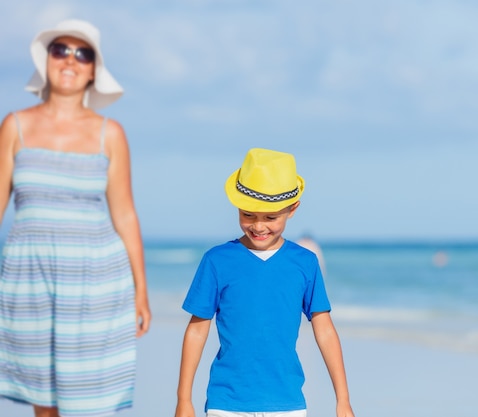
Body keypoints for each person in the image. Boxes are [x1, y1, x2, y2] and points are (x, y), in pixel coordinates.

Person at [0, 19, 151, 417]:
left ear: (93, 71)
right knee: (43, 400)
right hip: (27, 277)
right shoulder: (15, 125)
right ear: (46, 60)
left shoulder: (110, 133)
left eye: (82, 54)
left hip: (95, 280)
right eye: (60, 50)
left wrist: (141, 290)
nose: (70, 60)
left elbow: (125, 213)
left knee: (89, 399)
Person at [175, 148, 355, 417]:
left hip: (287, 404)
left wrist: (343, 400)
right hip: (226, 403)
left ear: (292, 209)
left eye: (271, 217)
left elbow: (325, 330)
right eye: (248, 215)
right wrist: (184, 400)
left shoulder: (305, 262)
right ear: (237, 206)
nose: (259, 226)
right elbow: (197, 330)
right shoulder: (217, 261)